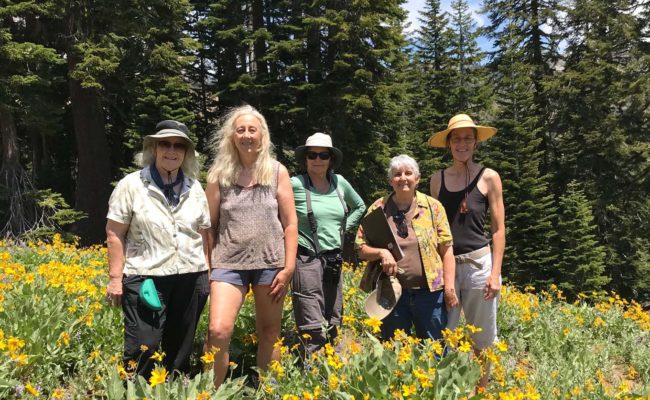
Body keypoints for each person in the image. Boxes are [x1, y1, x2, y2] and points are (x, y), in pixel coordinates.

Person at [105, 120, 211, 378]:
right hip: (145, 276)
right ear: (154, 147)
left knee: (181, 345)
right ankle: (137, 390)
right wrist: (115, 279)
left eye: (179, 145)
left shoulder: (195, 187)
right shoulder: (131, 185)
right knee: (145, 343)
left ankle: (176, 386)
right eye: (165, 143)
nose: (171, 150)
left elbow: (204, 232)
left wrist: (207, 273)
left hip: (190, 275)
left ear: (186, 153)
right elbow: (114, 233)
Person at [205, 105, 298, 388]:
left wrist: (289, 266)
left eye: (252, 130)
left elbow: (290, 223)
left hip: (271, 264)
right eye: (240, 129)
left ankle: (268, 390)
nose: (246, 135)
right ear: (231, 136)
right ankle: (213, 391)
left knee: (270, 332)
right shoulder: (218, 175)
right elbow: (208, 225)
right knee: (218, 330)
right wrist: (208, 267)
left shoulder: (277, 171)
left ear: (262, 135)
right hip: (227, 264)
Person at [429, 113, 505, 389]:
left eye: (468, 139)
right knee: (442, 333)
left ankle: (481, 390)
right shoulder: (437, 180)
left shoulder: (490, 178)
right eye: (457, 139)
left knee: (483, 338)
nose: (462, 144)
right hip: (445, 267)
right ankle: (444, 390)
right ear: (449, 144)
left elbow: (498, 229)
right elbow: (434, 229)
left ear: (475, 143)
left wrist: (495, 273)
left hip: (478, 264)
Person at [356, 154, 457, 341]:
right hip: (392, 292)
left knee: (433, 351)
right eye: (397, 174)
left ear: (417, 179)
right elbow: (361, 247)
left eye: (408, 173)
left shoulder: (433, 207)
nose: (403, 178)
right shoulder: (378, 208)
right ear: (390, 181)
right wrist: (381, 252)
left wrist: (449, 288)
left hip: (431, 294)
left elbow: (447, 250)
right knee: (393, 350)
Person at [291, 132, 366, 353]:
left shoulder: (339, 182)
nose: (317, 160)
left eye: (323, 155)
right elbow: (279, 213)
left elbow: (359, 206)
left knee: (334, 316)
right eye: (312, 155)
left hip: (334, 258)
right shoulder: (295, 184)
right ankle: (312, 370)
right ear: (305, 159)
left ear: (330, 159)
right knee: (311, 319)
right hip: (306, 259)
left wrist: (344, 228)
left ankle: (331, 366)